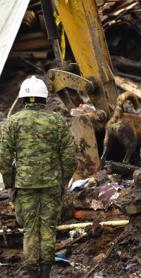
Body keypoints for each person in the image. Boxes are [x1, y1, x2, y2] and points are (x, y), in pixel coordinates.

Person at [0, 76, 77, 278]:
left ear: (23, 98)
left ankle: (32, 273)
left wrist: (9, 183)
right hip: (52, 184)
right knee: (48, 228)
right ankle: (45, 272)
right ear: (44, 97)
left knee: (30, 229)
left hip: (24, 185)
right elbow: (70, 157)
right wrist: (63, 181)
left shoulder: (13, 122)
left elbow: (4, 158)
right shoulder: (57, 121)